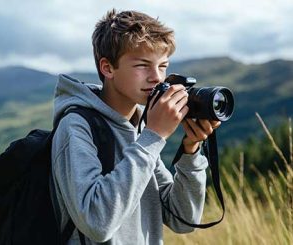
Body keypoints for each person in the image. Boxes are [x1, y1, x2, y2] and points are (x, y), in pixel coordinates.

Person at [51, 9, 221, 245]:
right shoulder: (77, 126)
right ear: (107, 68)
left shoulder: (139, 127)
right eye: (143, 65)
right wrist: (154, 136)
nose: (157, 78)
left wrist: (191, 151)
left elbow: (183, 219)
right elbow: (96, 222)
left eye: (163, 66)